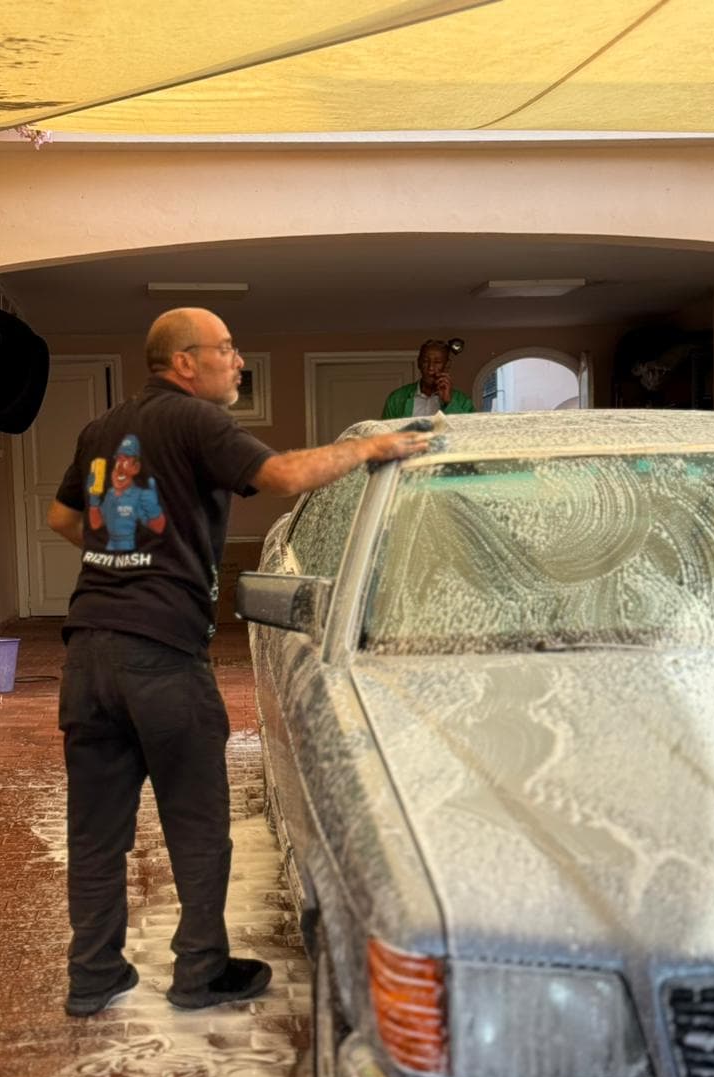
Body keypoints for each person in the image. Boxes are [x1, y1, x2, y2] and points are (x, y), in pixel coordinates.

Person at [47, 307, 429, 1017]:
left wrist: (124, 562)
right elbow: (281, 476)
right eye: (226, 350)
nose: (239, 360)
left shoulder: (103, 430)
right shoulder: (195, 421)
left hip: (88, 651)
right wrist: (373, 451)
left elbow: (64, 519)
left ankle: (93, 974)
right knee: (196, 824)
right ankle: (200, 970)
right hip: (161, 655)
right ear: (183, 363)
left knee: (96, 832)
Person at [380, 339, 474, 419]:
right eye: (425, 361)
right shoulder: (397, 398)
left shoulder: (463, 401)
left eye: (437, 362)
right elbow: (384, 436)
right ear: (419, 363)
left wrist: (449, 402)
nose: (431, 368)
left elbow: (469, 434)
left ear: (447, 365)